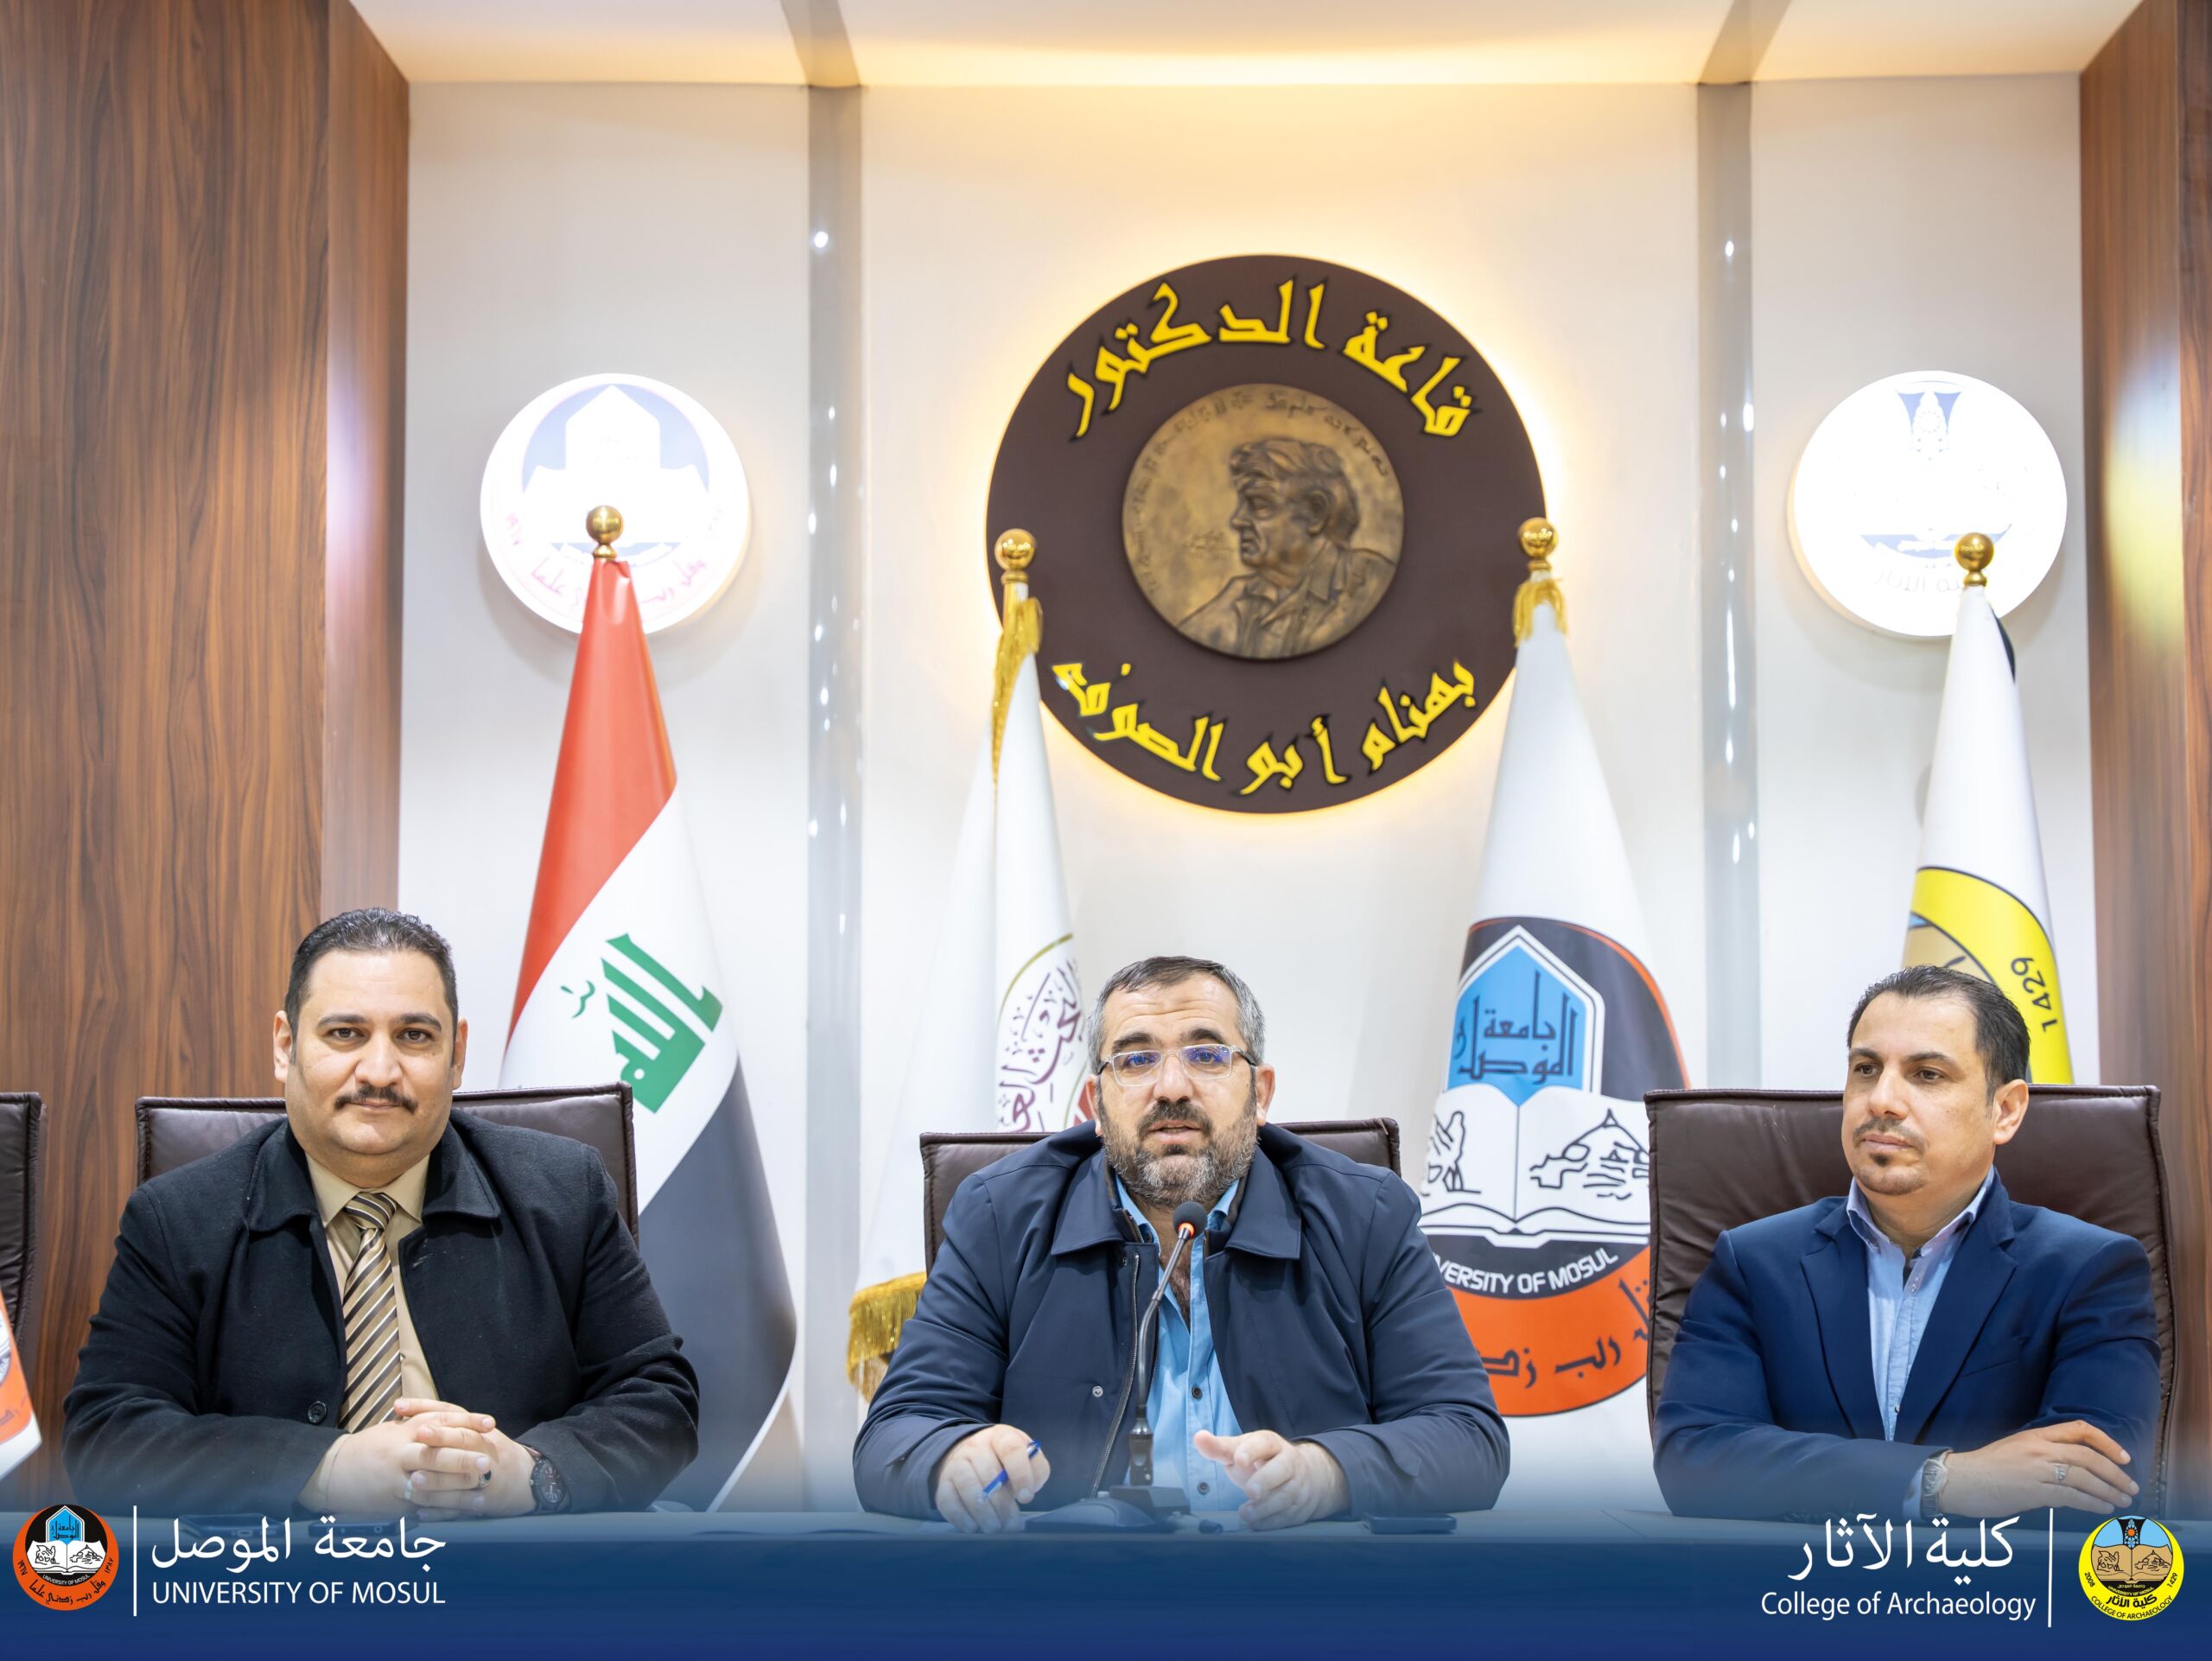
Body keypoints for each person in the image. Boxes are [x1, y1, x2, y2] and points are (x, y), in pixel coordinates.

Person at [65, 908, 699, 1518]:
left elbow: (657, 1402)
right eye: (345, 1033)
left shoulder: (563, 1191)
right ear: (286, 1046)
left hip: (510, 1568)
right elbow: (108, 1435)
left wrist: (534, 1475)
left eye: (414, 1036)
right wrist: (323, 1471)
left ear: (456, 1055)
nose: (379, 1071)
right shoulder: (177, 1219)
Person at [855, 955, 1508, 1531]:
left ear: (1260, 1094)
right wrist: (952, 1460)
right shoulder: (1000, 1217)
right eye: (1136, 1059)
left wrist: (1328, 1472)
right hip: (1076, 1595)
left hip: (1301, 1591)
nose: (1171, 1087)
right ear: (1096, 1104)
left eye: (1207, 1054)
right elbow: (894, 1434)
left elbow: (1468, 1439)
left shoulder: (1366, 1215)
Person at [1655, 965, 2159, 1521]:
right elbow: (1695, 1462)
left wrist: (1810, 1481)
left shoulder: (2090, 1270)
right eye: (1866, 1069)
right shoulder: (1753, 1263)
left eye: (1927, 1074)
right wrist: (1937, 1480)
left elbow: (2097, 1485)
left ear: (2005, 1110)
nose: (1882, 1100)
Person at [1179, 438, 1396, 659]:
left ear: (1316, 513)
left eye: (1259, 505)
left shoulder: (1374, 583)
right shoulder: (1239, 595)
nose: (1237, 520)